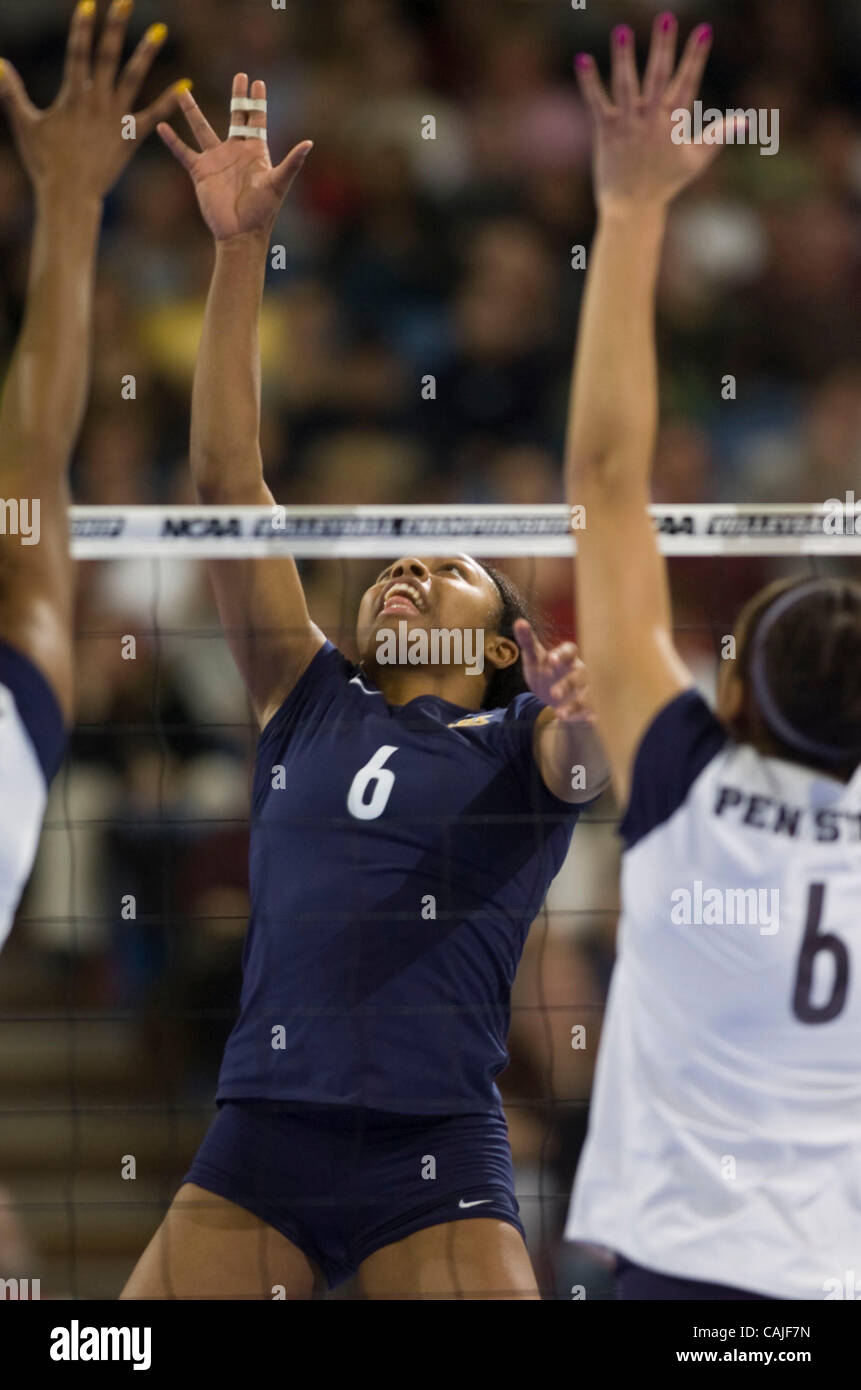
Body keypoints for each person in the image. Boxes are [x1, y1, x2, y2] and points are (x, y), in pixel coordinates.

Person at [120, 76, 611, 1300]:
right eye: (397, 558)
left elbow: (585, 772)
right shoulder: (304, 687)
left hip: (433, 1156)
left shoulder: (517, 741)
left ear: (501, 642)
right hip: (259, 1145)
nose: (407, 568)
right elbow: (229, 487)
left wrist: (583, 721)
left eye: (449, 568)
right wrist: (242, 253)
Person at [564, 13, 861, 1300]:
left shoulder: (684, 783)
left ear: (731, 692)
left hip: (675, 1272)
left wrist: (630, 213)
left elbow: (607, 479)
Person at [0, 0, 181, 954]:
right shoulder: (17, 724)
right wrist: (71, 206)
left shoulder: (18, 725)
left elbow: (27, 465)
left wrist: (67, 204)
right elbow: (31, 461)